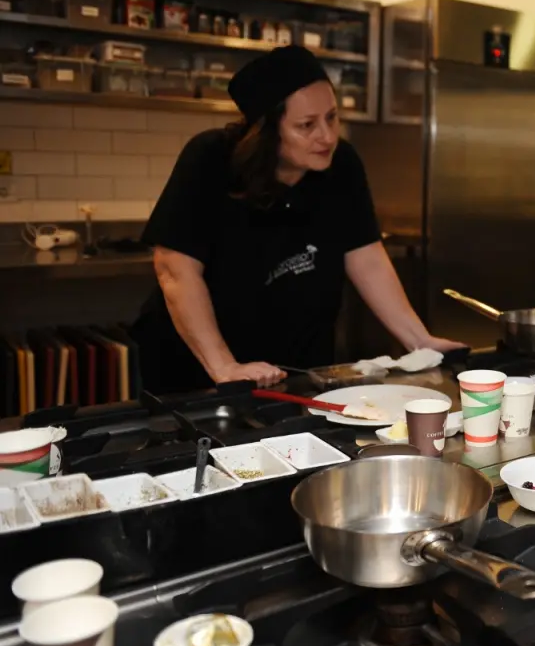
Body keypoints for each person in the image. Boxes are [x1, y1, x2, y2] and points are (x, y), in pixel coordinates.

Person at [131, 45, 464, 393]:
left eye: (332, 117)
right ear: (267, 131)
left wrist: (420, 341)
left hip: (297, 363)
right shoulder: (210, 159)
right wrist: (224, 367)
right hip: (200, 368)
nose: (327, 136)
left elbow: (367, 258)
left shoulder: (342, 165)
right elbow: (175, 269)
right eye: (307, 125)